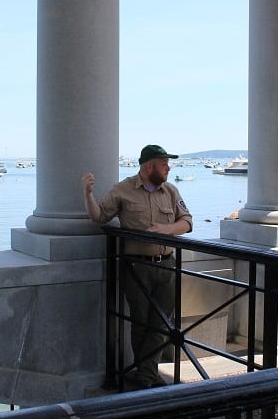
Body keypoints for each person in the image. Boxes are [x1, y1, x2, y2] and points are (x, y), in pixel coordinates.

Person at [82, 144, 192, 388]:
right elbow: (98, 216)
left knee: (161, 323)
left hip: (167, 267)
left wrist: (167, 230)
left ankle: (145, 376)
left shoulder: (171, 191)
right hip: (137, 268)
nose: (168, 168)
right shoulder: (123, 190)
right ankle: (146, 376)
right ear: (149, 166)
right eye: (164, 164)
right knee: (141, 322)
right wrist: (88, 194)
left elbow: (186, 221)